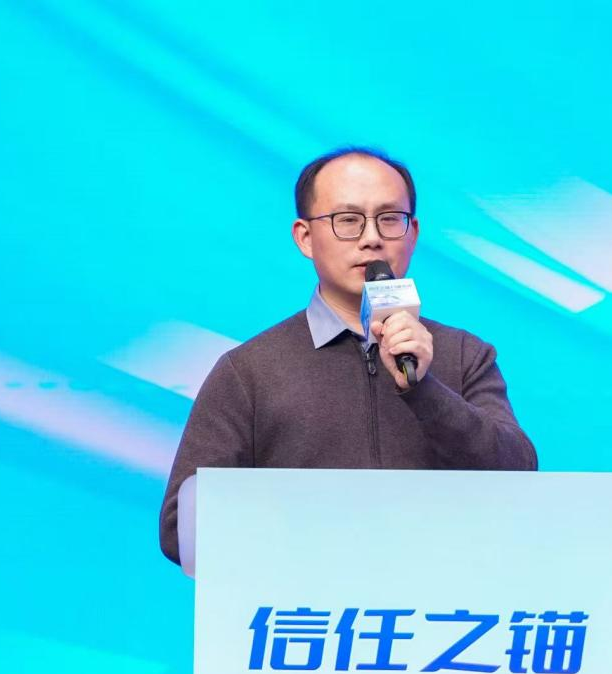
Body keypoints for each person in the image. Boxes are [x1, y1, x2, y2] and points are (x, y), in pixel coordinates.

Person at [159, 147, 537, 570]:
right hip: (307, 605)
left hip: (441, 601)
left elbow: (518, 479)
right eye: (348, 220)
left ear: (413, 233)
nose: (371, 237)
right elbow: (180, 528)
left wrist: (423, 390)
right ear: (305, 237)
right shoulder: (250, 372)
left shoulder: (464, 355)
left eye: (389, 219)